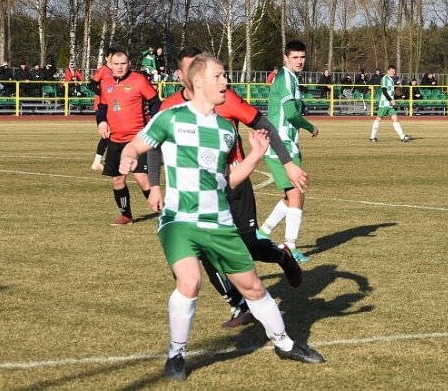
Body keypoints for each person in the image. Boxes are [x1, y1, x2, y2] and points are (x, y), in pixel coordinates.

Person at [119, 53, 324, 381]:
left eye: (224, 76)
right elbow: (136, 146)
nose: (225, 82)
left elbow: (225, 181)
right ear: (198, 81)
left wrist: (256, 155)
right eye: (218, 76)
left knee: (253, 287)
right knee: (190, 281)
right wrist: (129, 159)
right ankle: (176, 355)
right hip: (179, 220)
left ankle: (285, 344)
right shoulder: (169, 118)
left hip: (219, 222)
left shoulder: (226, 131)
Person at [147, 46, 306, 327]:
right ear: (183, 75)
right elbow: (153, 145)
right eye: (189, 70)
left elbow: (263, 124)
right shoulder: (169, 107)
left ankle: (283, 255)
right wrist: (154, 185)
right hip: (194, 191)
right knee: (204, 249)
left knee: (248, 244)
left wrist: (288, 163)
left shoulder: (226, 99)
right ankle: (239, 306)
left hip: (234, 182)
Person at [257, 40, 319, 263]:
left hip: (287, 142)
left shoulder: (290, 78)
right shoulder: (285, 79)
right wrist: (311, 126)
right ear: (286, 58)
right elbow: (291, 114)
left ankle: (262, 233)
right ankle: (289, 246)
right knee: (297, 193)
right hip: (280, 144)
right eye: (295, 57)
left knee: (290, 195)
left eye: (302, 57)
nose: (300, 61)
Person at [96, 49, 161, 226]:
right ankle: (126, 216)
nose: (119, 67)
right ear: (110, 65)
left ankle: (162, 212)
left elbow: (155, 103)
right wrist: (101, 122)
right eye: (116, 64)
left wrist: (155, 127)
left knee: (142, 178)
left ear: (129, 64)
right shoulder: (105, 83)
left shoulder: (139, 80)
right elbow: (102, 107)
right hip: (115, 140)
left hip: (137, 140)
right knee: (117, 180)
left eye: (123, 63)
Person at [89, 49, 116, 172]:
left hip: (115, 106)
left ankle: (104, 161)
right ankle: (97, 162)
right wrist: (101, 93)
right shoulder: (102, 70)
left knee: (114, 133)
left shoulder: (117, 70)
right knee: (107, 134)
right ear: (106, 57)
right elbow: (91, 85)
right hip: (102, 106)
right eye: (112, 56)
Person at [369, 65, 411, 143]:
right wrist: (390, 100)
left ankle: (402, 137)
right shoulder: (384, 78)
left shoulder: (391, 80)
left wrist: (396, 96)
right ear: (388, 71)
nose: (393, 72)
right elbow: (384, 91)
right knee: (378, 119)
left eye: (394, 71)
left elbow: (391, 92)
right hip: (385, 103)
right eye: (392, 71)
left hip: (390, 104)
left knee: (395, 119)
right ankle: (372, 137)